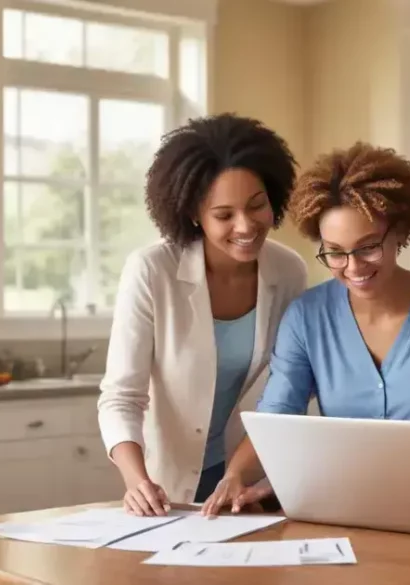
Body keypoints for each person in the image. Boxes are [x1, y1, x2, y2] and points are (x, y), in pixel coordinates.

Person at [200, 141, 410, 516]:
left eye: (368, 247)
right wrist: (235, 475)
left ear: (399, 231)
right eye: (335, 251)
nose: (353, 267)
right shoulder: (307, 317)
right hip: (341, 505)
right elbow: (276, 417)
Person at [97, 114, 307, 515]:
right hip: (168, 482)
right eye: (224, 215)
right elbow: (121, 396)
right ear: (194, 214)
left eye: (257, 205)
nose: (245, 226)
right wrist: (137, 482)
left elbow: (285, 387)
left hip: (249, 476)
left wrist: (242, 473)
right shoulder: (152, 270)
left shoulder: (288, 271)